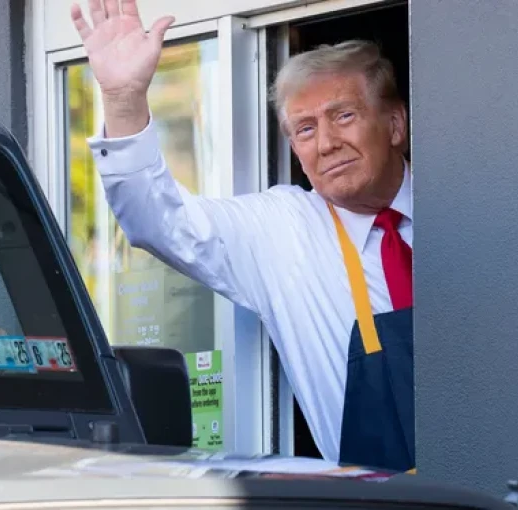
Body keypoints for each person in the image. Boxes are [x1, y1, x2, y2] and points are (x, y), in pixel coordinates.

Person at [71, 0, 414, 472]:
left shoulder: (463, 209)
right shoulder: (284, 230)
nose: (327, 143)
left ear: (395, 124)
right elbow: (156, 220)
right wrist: (124, 98)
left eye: (344, 116)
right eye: (305, 129)